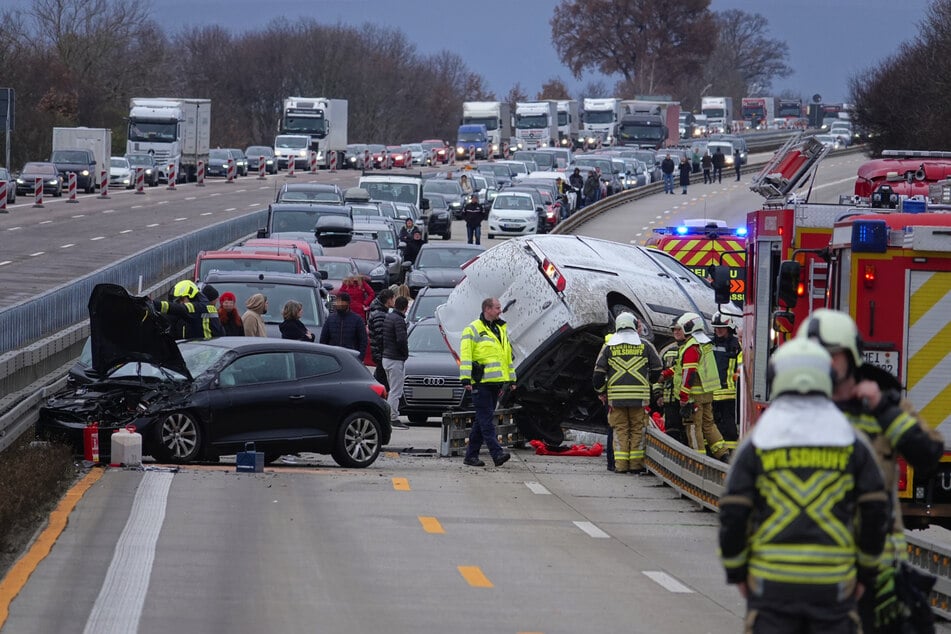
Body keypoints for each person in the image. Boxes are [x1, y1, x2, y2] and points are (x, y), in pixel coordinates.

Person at [719, 337, 888, 633]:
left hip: (771, 587)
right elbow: (875, 513)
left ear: (776, 378)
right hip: (833, 588)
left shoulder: (757, 442)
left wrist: (737, 571)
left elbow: (733, 513)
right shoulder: (852, 441)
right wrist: (865, 574)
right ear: (829, 378)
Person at [797, 309, 944, 633]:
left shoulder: (883, 408)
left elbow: (928, 456)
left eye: (830, 356)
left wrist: (884, 409)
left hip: (878, 576)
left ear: (850, 357)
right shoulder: (795, 411)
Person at [592, 313, 662, 474]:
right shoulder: (645, 345)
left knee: (620, 430)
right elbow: (658, 368)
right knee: (638, 429)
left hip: (616, 399)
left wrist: (601, 392)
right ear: (633, 325)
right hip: (639, 398)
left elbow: (597, 374)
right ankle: (636, 465)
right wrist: (649, 382)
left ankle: (621, 466)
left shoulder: (609, 347)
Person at [664, 312, 730, 461]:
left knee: (693, 426)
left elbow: (689, 373)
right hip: (707, 392)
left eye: (681, 328)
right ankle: (723, 454)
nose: (678, 331)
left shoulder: (691, 347)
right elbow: (684, 368)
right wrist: (666, 373)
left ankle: (698, 461)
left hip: (694, 395)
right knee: (708, 424)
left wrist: (683, 396)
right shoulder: (703, 344)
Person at [459, 297, 515, 467]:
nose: (500, 310)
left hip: (495, 383)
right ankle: (496, 453)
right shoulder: (473, 329)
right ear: (487, 309)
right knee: (486, 421)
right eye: (497, 307)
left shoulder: (500, 329)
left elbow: (507, 357)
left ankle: (471, 456)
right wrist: (466, 379)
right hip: (480, 383)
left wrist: (511, 379)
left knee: (481, 420)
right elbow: (466, 355)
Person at [711, 312, 742, 451]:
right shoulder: (710, 343)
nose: (718, 330)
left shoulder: (736, 345)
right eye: (716, 327)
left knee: (729, 426)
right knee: (712, 425)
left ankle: (730, 454)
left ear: (729, 328)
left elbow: (742, 368)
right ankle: (714, 452)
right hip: (712, 392)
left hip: (729, 393)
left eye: (721, 328)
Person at [154, 279, 224, 340]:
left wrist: (154, 304)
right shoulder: (196, 310)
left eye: (182, 299)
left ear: (191, 295)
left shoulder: (201, 307)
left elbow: (179, 308)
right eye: (178, 301)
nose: (180, 303)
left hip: (205, 350)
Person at [382, 296, 410, 430]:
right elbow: (401, 340)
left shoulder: (389, 317)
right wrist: (405, 354)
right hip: (395, 359)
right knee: (396, 391)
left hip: (386, 357)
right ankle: (393, 417)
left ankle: (390, 415)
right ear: (406, 308)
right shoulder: (399, 321)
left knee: (391, 389)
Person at [367, 288, 395, 388]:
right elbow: (381, 336)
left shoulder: (380, 312)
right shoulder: (380, 314)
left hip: (380, 353)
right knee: (382, 381)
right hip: (381, 353)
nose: (394, 301)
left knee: (381, 378)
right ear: (388, 300)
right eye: (393, 298)